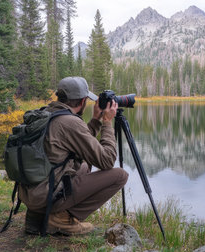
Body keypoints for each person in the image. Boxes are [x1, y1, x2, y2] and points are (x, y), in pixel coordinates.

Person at [19, 76, 128, 235]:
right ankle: (62, 218)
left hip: (31, 193)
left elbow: (79, 145)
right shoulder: (69, 122)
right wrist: (107, 123)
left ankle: (35, 217)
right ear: (83, 101)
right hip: (45, 194)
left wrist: (96, 120)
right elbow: (107, 160)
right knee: (120, 176)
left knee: (84, 165)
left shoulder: (46, 113)